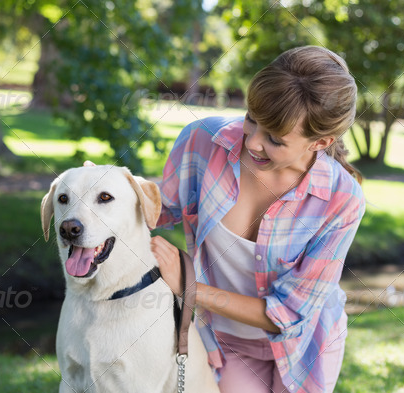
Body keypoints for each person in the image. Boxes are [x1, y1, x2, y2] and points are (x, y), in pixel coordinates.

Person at [151, 46, 366, 393]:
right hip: (228, 340)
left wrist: (188, 286)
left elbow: (288, 316)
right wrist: (102, 191)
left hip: (306, 346)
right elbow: (159, 207)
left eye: (275, 140)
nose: (252, 142)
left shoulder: (341, 200)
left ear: (321, 141)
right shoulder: (203, 141)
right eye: (251, 118)